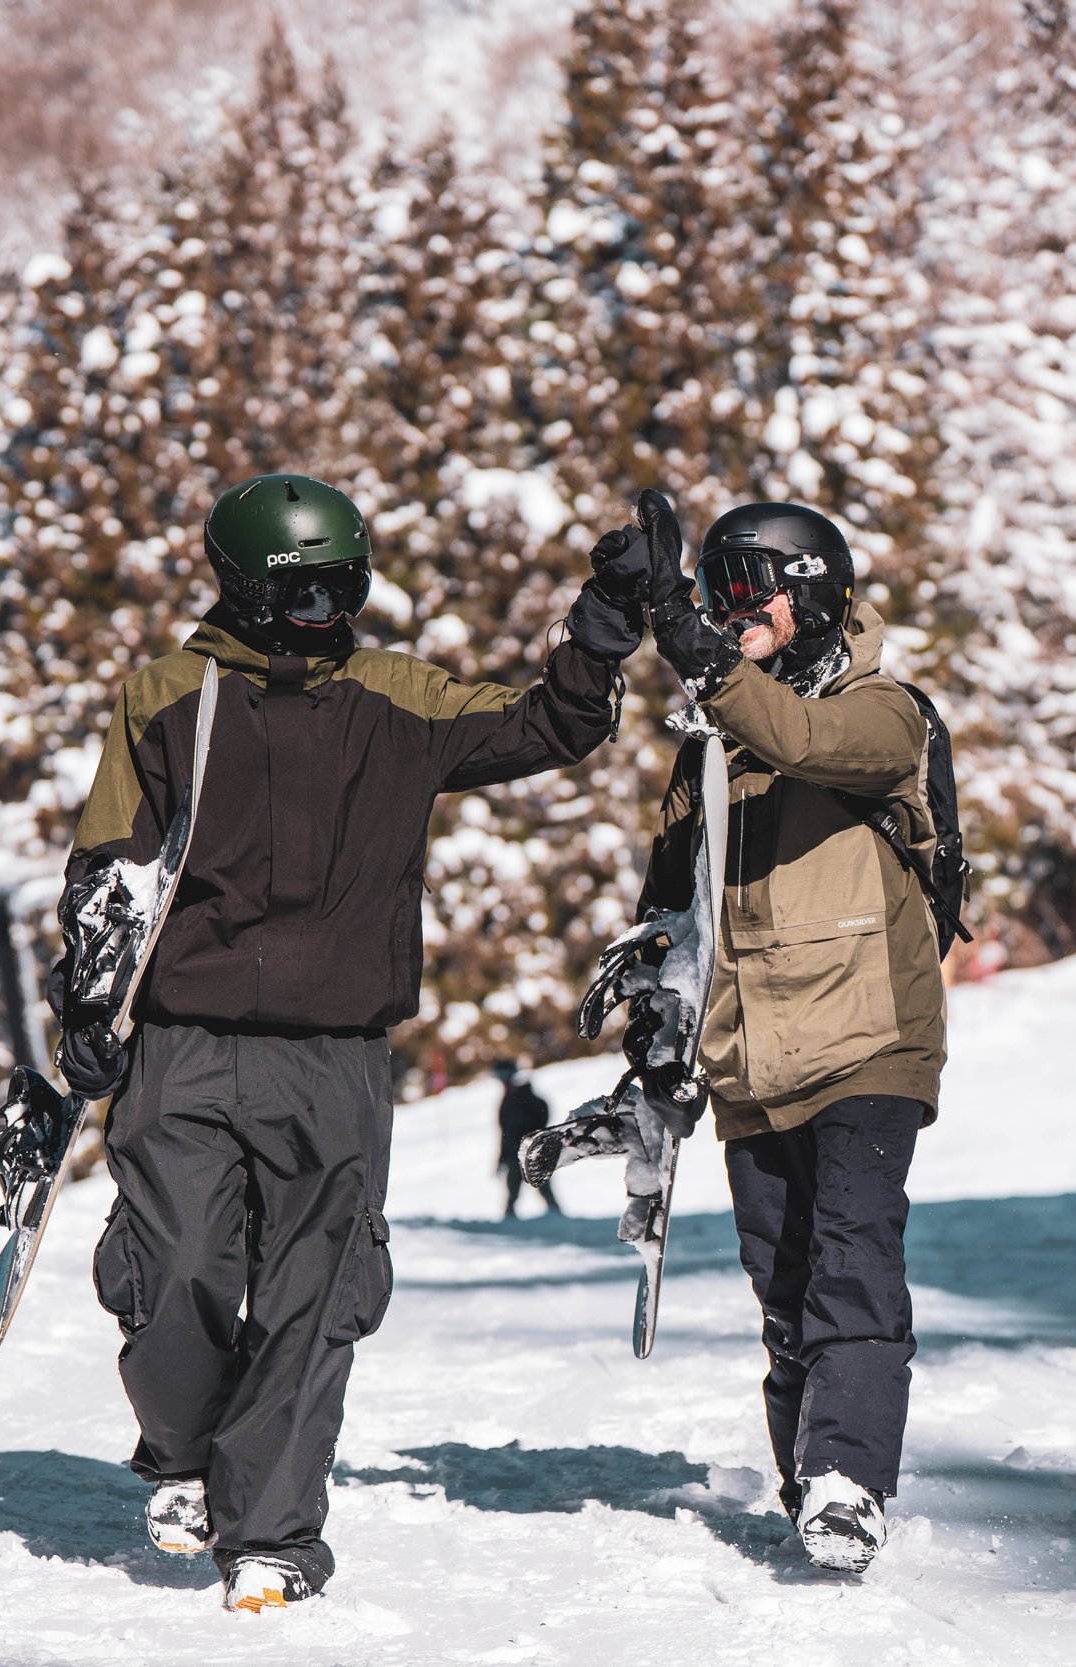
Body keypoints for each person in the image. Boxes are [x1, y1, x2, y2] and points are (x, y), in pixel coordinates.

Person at [53, 472, 646, 1612]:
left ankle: (270, 1530)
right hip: (186, 1038)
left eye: (346, 582)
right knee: (172, 1270)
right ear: (242, 588)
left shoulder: (396, 696)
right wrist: (84, 1009)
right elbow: (109, 862)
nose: (331, 606)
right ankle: (183, 1453)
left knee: (313, 1296)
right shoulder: (172, 695)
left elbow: (552, 724)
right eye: (304, 588)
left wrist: (600, 632)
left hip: (336, 1053)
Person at [628, 493, 948, 1575]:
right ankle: (808, 1479)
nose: (727, 613)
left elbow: (802, 736)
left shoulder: (883, 712)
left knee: (851, 1261)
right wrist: (653, 1028)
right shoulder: (711, 753)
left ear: (808, 592)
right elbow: (675, 910)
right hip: (753, 1054)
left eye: (741, 591)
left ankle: (851, 1480)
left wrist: (682, 638)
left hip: (865, 1035)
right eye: (712, 594)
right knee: (786, 1284)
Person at [493, 1059, 559, 1218]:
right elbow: (505, 1133)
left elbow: (541, 1119)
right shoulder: (507, 1101)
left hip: (531, 1151)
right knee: (512, 1190)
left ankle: (556, 1216)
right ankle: (509, 1218)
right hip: (514, 1154)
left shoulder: (527, 1097)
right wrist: (502, 1158)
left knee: (542, 1185)